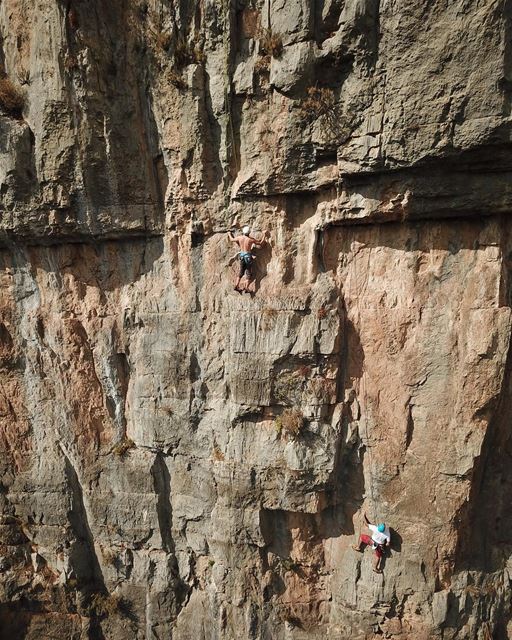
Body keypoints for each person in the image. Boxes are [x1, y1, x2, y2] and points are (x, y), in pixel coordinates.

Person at [227, 225, 267, 292]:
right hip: (248, 257)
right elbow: (260, 243)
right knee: (249, 273)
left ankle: (236, 285)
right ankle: (246, 288)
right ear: (249, 232)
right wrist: (264, 235)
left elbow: (231, 239)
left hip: (242, 256)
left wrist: (229, 234)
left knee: (241, 272)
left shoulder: (239, 238)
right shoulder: (250, 239)